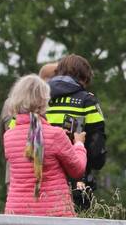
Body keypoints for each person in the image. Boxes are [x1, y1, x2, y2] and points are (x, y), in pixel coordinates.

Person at [1, 75, 87, 216]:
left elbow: (35, 144)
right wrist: (78, 144)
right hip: (54, 214)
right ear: (44, 100)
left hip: (17, 214)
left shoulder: (9, 136)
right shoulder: (55, 135)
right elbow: (77, 170)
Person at [46, 55, 107, 209]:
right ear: (84, 77)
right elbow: (96, 149)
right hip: (76, 184)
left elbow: (13, 131)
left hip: (37, 182)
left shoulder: (35, 98)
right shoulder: (86, 101)